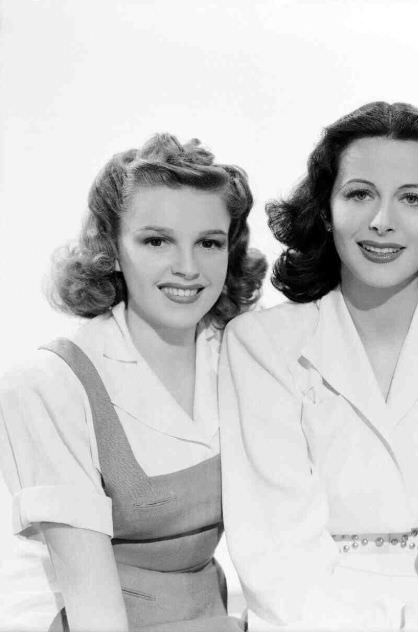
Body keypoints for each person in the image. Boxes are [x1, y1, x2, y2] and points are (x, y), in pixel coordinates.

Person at [219, 101, 418, 631]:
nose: (383, 222)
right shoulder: (259, 343)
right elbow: (276, 552)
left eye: (412, 198)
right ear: (325, 211)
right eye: (359, 194)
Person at [0, 133, 267, 631]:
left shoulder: (246, 359)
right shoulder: (48, 385)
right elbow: (95, 616)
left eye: (209, 242)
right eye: (156, 240)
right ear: (112, 249)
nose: (187, 268)